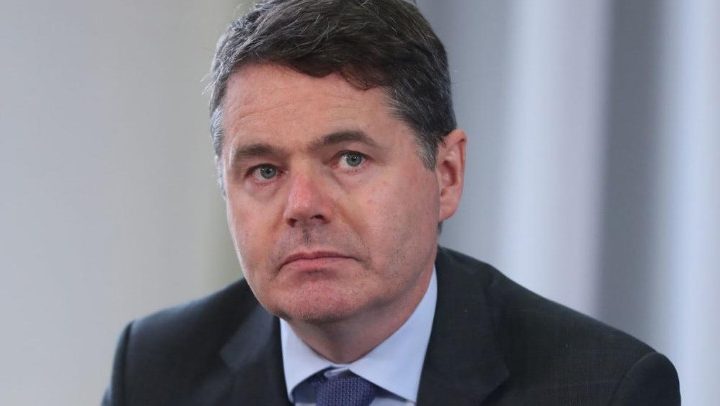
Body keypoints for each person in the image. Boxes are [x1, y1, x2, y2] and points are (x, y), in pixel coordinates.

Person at [103, 0, 680, 404]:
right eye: (265, 170)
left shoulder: (602, 388)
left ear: (446, 175)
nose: (302, 205)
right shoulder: (155, 370)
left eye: (349, 159)